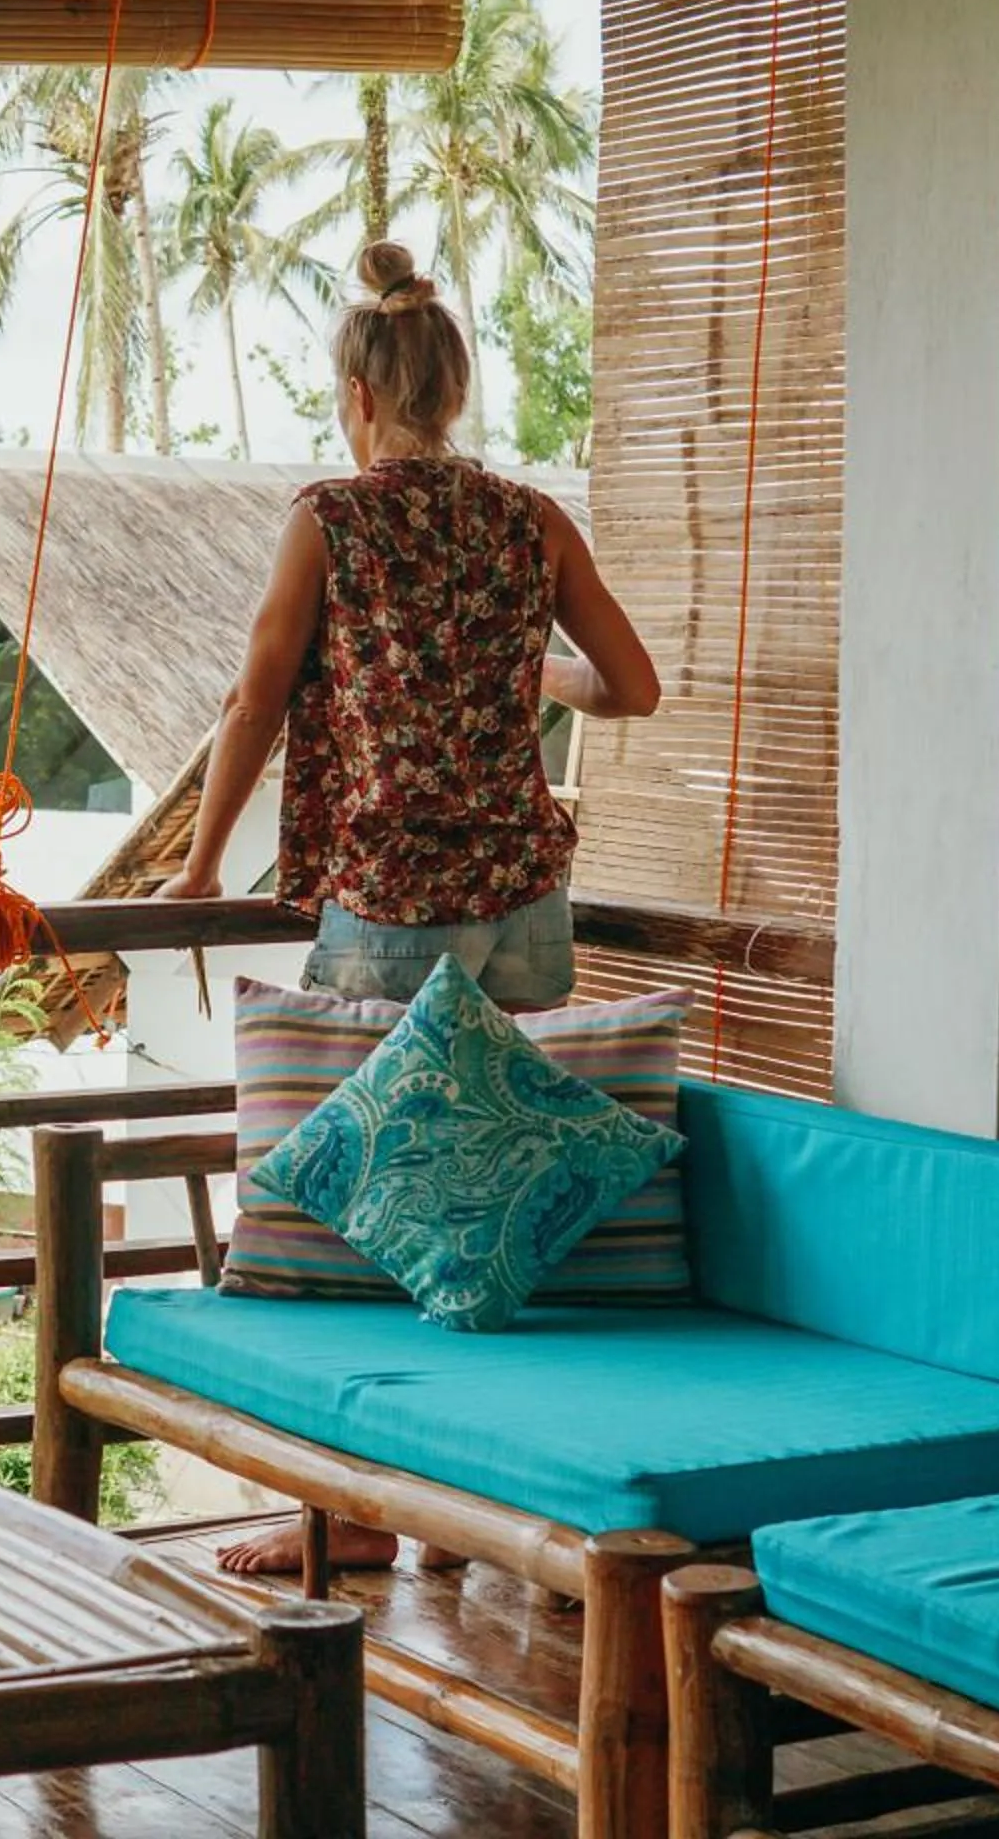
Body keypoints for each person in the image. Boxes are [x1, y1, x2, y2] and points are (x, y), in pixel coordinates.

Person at [158, 242, 662, 1577]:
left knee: (361, 1207)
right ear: (454, 383)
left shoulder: (332, 517)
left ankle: (354, 1521)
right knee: (494, 1198)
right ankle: (480, 1512)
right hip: (522, 901)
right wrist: (517, 673)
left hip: (391, 900)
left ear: (355, 394)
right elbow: (631, 688)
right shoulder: (530, 520)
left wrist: (203, 869)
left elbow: (256, 702)